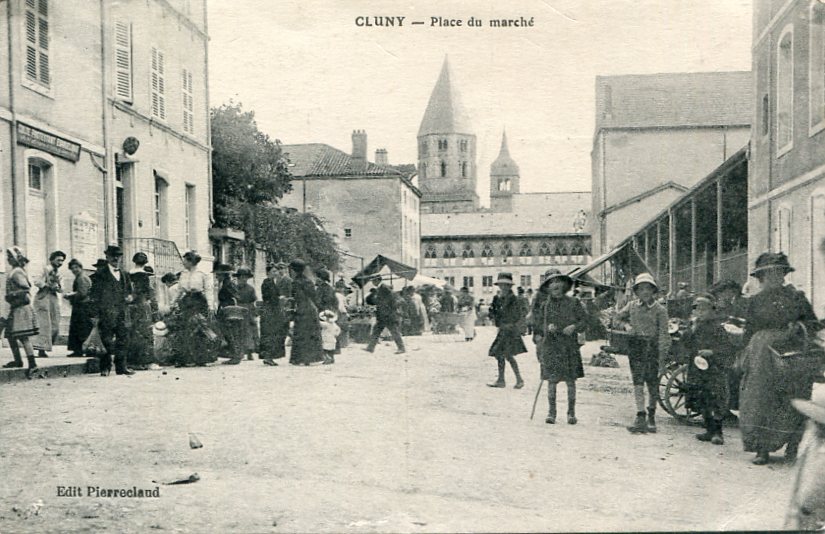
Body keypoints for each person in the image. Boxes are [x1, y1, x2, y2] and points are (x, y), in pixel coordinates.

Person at [738, 252, 821, 465]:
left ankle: (792, 448)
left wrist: (799, 328)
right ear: (761, 277)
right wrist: (744, 355)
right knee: (762, 399)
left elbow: (812, 323)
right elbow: (749, 331)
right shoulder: (755, 301)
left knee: (794, 397)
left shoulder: (796, 297)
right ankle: (762, 449)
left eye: (778, 273)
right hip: (762, 354)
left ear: (784, 275)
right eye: (768, 274)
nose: (774, 277)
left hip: (792, 353)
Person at [613, 272, 671, 434]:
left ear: (653, 291)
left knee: (652, 383)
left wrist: (662, 356)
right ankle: (641, 415)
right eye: (641, 289)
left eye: (648, 289)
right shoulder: (632, 306)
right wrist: (626, 326)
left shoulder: (660, 310)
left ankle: (651, 416)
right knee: (637, 381)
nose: (645, 292)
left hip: (652, 347)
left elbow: (664, 334)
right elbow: (617, 319)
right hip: (636, 346)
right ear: (636, 291)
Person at [531, 269, 588, 424]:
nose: (555, 285)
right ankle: (552, 413)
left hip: (569, 347)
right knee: (552, 380)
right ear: (547, 288)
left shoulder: (574, 303)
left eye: (558, 282)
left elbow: (585, 322)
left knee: (570, 381)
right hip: (551, 347)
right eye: (551, 283)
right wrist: (545, 330)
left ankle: (571, 413)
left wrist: (574, 327)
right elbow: (537, 329)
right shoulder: (545, 306)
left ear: (564, 285)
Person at [680, 293, 734, 445]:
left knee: (715, 398)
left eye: (705, 310)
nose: (701, 312)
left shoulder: (718, 328)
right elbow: (685, 342)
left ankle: (718, 432)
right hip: (697, 367)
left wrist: (712, 352)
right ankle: (709, 429)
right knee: (702, 399)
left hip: (713, 368)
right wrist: (691, 328)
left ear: (712, 311)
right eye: (698, 310)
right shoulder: (694, 326)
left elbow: (726, 348)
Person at [89, 245, 135, 376]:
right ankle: (105, 367)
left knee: (123, 340)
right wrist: (95, 315)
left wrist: (130, 296)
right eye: (113, 256)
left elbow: (130, 291)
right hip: (106, 313)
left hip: (122, 313)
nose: (116, 258)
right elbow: (94, 296)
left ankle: (121, 367)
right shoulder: (99, 275)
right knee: (106, 340)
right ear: (107, 257)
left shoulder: (125, 274)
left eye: (118, 256)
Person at [169, 252, 215, 366]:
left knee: (199, 329)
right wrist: (173, 303)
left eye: (185, 260)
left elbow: (209, 290)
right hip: (186, 302)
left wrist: (210, 305)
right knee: (183, 329)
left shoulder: (202, 274)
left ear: (191, 261)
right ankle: (184, 358)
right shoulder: (183, 274)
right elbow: (180, 289)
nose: (183, 263)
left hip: (198, 301)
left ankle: (200, 358)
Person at [3, 247, 40, 377]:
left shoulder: (17, 272)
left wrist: (12, 294)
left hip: (21, 308)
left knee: (24, 337)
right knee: (10, 335)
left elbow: (26, 288)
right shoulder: (16, 271)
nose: (8, 259)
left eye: (11, 257)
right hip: (16, 308)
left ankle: (33, 365)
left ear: (17, 259)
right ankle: (18, 360)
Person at [487, 273, 527, 389]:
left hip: (510, 330)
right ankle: (501, 380)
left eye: (506, 285)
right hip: (502, 329)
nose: (503, 287)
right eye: (501, 285)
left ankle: (519, 379)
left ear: (510, 286)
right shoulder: (497, 298)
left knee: (508, 355)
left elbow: (518, 314)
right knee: (499, 354)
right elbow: (493, 311)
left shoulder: (514, 299)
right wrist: (492, 315)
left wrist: (510, 323)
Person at [288, 259, 325, 365]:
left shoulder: (295, 282)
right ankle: (310, 358)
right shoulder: (307, 281)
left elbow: (295, 297)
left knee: (301, 333)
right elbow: (314, 296)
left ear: (294, 270)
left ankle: (300, 358)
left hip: (302, 308)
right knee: (309, 333)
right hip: (310, 308)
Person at [32, 250, 65, 357]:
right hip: (43, 297)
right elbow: (36, 281)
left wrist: (58, 286)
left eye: (62, 261)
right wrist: (47, 285)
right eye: (58, 260)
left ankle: (46, 346)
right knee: (44, 324)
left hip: (53, 298)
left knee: (55, 324)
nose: (60, 263)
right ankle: (41, 349)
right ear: (52, 259)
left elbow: (62, 289)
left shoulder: (59, 273)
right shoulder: (44, 269)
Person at [127, 253, 157, 370]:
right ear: (145, 263)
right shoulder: (144, 275)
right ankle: (145, 361)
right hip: (142, 306)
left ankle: (132, 361)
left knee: (133, 332)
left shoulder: (128, 274)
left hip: (131, 306)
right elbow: (145, 292)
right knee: (145, 333)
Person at [364, 275, 406, 354]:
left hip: (387, 315)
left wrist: (388, 308)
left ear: (377, 280)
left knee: (394, 331)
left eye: (373, 281)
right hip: (383, 314)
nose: (372, 282)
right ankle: (370, 347)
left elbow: (392, 298)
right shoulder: (380, 288)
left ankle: (401, 348)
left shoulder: (384, 287)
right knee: (376, 331)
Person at [260, 263, 291, 366]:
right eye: (273, 271)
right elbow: (268, 297)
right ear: (268, 273)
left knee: (273, 333)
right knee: (271, 333)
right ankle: (268, 357)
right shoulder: (267, 283)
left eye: (276, 271)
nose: (276, 273)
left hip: (273, 310)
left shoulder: (271, 282)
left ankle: (269, 357)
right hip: (270, 310)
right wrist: (279, 298)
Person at [64, 259, 93, 358]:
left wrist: (70, 295)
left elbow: (82, 293)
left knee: (81, 329)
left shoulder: (82, 278)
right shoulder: (80, 277)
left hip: (82, 306)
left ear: (80, 267)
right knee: (80, 329)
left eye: (76, 267)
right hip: (81, 306)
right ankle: (80, 350)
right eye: (72, 268)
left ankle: (80, 350)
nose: (74, 270)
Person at [233, 267, 259, 361]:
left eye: (246, 277)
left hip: (248, 310)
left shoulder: (251, 289)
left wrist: (254, 313)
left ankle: (250, 352)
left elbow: (253, 301)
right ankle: (241, 352)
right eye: (242, 277)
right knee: (239, 331)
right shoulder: (234, 288)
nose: (244, 279)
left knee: (250, 331)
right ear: (238, 278)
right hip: (237, 310)